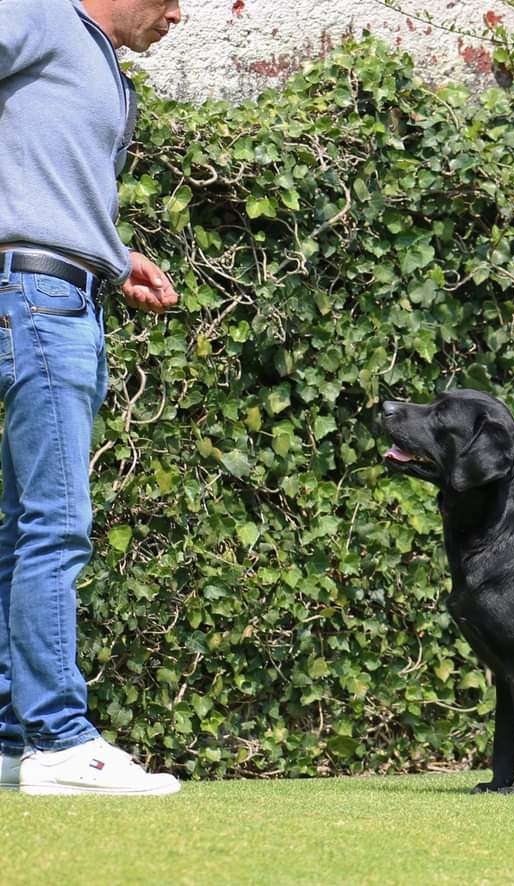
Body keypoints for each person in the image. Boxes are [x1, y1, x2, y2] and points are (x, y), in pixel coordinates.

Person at [0, 0, 183, 795]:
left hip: (66, 294)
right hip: (37, 302)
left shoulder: (97, 60)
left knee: (24, 531)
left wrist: (113, 253)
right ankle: (60, 740)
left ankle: (12, 744)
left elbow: (39, 174)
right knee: (56, 524)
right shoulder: (37, 15)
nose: (178, 15)